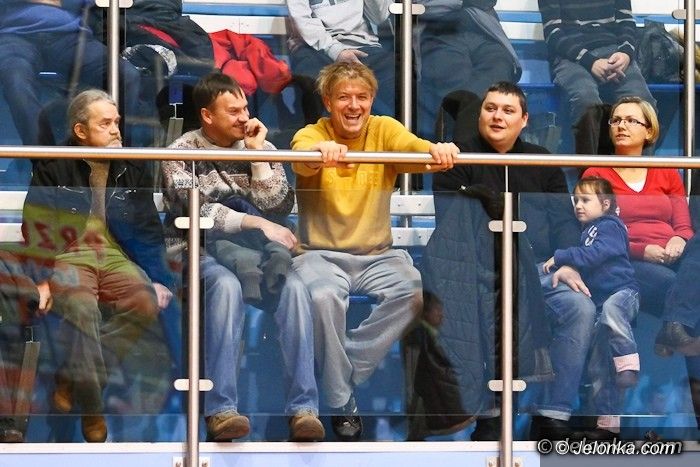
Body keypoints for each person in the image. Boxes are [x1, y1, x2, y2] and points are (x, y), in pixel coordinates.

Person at [290, 61, 457, 441]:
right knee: (322, 296)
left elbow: (415, 148)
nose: (354, 105)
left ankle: (339, 374)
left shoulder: (384, 129)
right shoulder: (312, 132)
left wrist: (438, 149)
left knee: (413, 292)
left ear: (371, 100)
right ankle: (341, 400)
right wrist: (320, 151)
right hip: (319, 256)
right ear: (328, 101)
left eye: (362, 97)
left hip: (378, 255)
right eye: (344, 97)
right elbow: (301, 156)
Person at [161, 72, 325, 442]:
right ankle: (221, 410)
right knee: (225, 286)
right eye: (233, 111)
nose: (244, 117)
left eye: (245, 108)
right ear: (207, 115)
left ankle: (304, 410)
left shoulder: (262, 147)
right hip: (196, 251)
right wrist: (253, 221)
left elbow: (280, 206)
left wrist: (258, 159)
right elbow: (195, 211)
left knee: (295, 289)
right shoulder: (180, 153)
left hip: (257, 253)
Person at [433, 81, 597, 440]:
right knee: (496, 299)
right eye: (490, 108)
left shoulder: (542, 162)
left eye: (508, 111)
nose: (497, 116)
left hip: (540, 272)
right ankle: (491, 413)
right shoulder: (459, 159)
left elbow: (564, 223)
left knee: (579, 308)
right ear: (480, 113)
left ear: (524, 120)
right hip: (481, 273)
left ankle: (552, 414)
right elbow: (450, 226)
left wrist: (568, 263)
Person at [21, 89, 173, 442]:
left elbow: (147, 227)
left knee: (144, 300)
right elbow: (35, 226)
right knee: (81, 306)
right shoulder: (54, 163)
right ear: (80, 131)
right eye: (105, 124)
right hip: (69, 253)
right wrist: (40, 278)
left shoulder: (131, 165)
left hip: (116, 255)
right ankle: (92, 409)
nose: (116, 130)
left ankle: (71, 376)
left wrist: (159, 277)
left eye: (116, 122)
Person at [583, 96, 698, 356]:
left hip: (672, 254)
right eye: (616, 120)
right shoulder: (596, 174)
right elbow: (596, 234)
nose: (621, 126)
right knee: (679, 286)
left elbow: (683, 224)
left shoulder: (666, 171)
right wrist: (642, 251)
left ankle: (672, 329)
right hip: (625, 260)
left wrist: (679, 239)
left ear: (649, 131)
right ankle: (672, 330)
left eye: (630, 120)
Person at [543, 176, 640, 439]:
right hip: (599, 302)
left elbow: (597, 254)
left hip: (622, 293)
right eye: (576, 200)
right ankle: (607, 426)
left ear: (605, 204)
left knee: (613, 312)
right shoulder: (587, 230)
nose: (578, 205)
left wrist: (562, 256)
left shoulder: (610, 226)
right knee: (600, 366)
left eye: (585, 200)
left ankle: (628, 364)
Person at [0, 0, 141, 147]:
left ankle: (118, 152)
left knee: (126, 75)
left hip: (69, 34)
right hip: (14, 35)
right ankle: (45, 157)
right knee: (16, 80)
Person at [537, 0, 656, 154]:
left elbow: (626, 21)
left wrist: (626, 52)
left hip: (614, 51)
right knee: (586, 101)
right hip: (570, 57)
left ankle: (640, 167)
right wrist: (589, 61)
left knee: (643, 102)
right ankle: (590, 168)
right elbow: (552, 33)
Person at [416, 0, 521, 139]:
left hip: (481, 26)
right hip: (437, 27)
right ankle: (465, 142)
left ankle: (471, 138)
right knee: (453, 77)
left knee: (501, 68)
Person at [286, 0, 395, 116]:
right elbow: (302, 21)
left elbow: (379, 17)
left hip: (362, 45)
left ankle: (385, 124)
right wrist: (336, 51)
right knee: (315, 83)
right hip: (315, 47)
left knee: (397, 76)